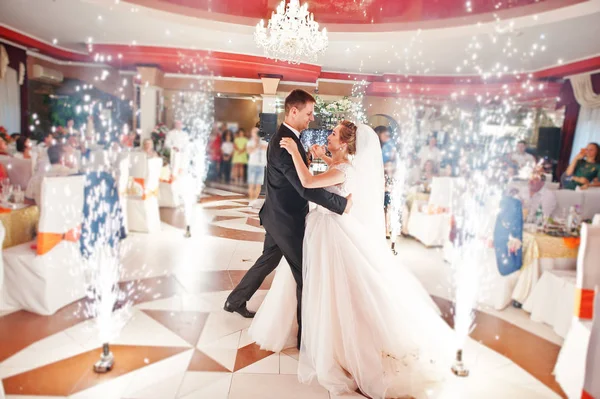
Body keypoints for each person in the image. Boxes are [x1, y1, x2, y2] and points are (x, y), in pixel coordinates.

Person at [248, 121, 453, 399]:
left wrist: (296, 154)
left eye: (333, 134)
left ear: (344, 143)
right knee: (322, 283)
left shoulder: (342, 169)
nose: (328, 135)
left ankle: (333, 343)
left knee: (329, 287)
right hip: (327, 227)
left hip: (329, 232)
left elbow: (308, 183)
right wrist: (322, 156)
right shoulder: (344, 164)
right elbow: (336, 168)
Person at [223, 90, 350, 348]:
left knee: (267, 260)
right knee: (305, 274)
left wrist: (310, 158)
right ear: (293, 111)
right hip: (285, 220)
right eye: (308, 113)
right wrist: (340, 203)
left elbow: (296, 178)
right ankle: (307, 339)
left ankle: (234, 301)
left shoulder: (290, 137)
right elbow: (304, 187)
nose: (311, 118)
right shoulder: (284, 142)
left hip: (276, 214)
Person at [246, 127, 268, 204]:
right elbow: (249, 151)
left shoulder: (264, 142)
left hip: (261, 166)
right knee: (251, 185)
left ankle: (253, 201)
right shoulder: (250, 142)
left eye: (257, 132)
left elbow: (267, 150)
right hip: (252, 165)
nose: (256, 134)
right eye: (254, 132)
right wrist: (256, 145)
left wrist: (260, 143)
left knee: (258, 185)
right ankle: (250, 200)